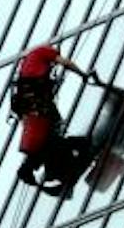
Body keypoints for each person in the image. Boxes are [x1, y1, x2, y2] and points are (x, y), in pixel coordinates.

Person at [7, 44, 96, 196]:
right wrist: (82, 74)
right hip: (39, 106)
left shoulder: (27, 64)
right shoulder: (45, 52)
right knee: (54, 132)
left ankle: (57, 165)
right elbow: (66, 63)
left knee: (50, 135)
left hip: (32, 107)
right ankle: (72, 155)